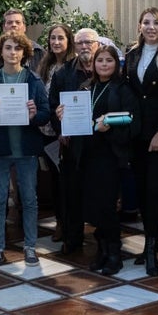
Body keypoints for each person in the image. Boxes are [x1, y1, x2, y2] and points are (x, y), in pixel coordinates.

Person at [59, 44, 140, 275]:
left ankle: (114, 254)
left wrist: (110, 127)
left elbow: (132, 121)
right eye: (100, 60)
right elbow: (76, 120)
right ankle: (101, 251)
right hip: (86, 155)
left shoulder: (123, 89)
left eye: (109, 60)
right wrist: (64, 116)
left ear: (117, 64)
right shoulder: (85, 87)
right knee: (93, 206)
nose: (104, 64)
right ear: (93, 64)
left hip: (110, 156)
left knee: (107, 206)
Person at [0, 30, 51, 267]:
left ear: (25, 53)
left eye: (17, 48)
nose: (12, 52)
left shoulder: (33, 80)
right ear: (0, 51)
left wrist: (33, 115)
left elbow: (45, 113)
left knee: (29, 199)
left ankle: (30, 247)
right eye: (8, 48)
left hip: (26, 150)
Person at [123, 8, 158, 274]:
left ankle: (150, 247)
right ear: (139, 26)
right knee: (142, 189)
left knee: (154, 190)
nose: (151, 27)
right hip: (136, 133)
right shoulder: (132, 54)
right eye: (146, 22)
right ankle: (152, 240)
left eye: (156, 23)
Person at [50, 27, 99, 253]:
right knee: (72, 194)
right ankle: (73, 239)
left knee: (100, 192)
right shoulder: (63, 74)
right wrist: (60, 126)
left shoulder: (106, 69)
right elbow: (52, 107)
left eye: (89, 42)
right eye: (80, 43)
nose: (84, 47)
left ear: (97, 44)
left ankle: (103, 238)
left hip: (100, 142)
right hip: (73, 144)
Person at [38, 24, 73, 244]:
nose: (56, 42)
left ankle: (69, 223)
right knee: (55, 180)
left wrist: (64, 129)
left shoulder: (73, 66)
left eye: (61, 38)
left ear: (68, 41)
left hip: (65, 132)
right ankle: (60, 221)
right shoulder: (46, 66)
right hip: (47, 131)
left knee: (67, 180)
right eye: (53, 38)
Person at [3, 8, 45, 73]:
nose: (14, 25)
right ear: (4, 28)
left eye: (18, 22)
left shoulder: (38, 51)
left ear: (24, 27)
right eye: (10, 22)